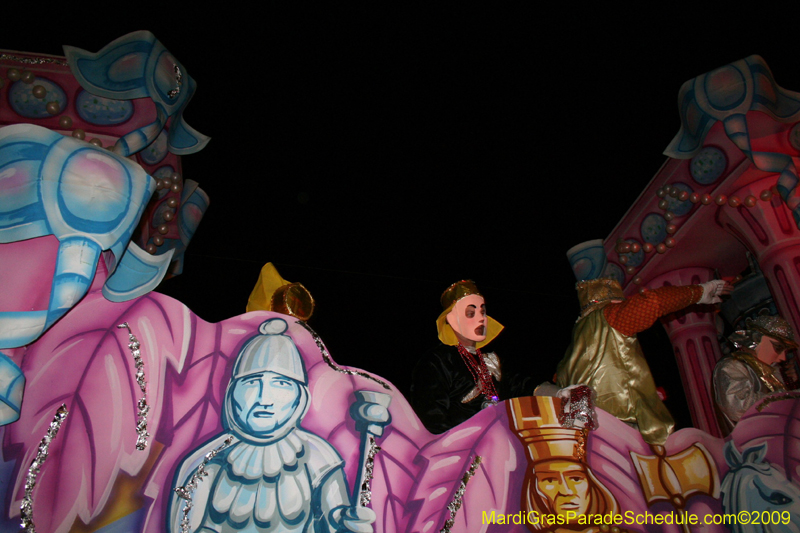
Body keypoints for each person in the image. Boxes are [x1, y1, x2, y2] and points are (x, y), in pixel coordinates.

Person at [167, 317, 374, 532]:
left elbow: (333, 523)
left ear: (300, 396)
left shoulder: (320, 459)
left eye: (281, 384)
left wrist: (349, 525)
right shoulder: (205, 462)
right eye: (252, 382)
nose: (264, 398)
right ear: (232, 392)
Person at [556, 277, 731, 446]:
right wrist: (699, 292)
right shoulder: (610, 317)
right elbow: (654, 302)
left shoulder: (570, 353)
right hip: (628, 433)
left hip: (590, 438)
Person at [410, 280, 534, 433]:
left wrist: (556, 393)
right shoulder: (438, 361)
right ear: (452, 320)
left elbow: (521, 385)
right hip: (461, 444)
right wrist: (457, 444)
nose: (481, 318)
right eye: (470, 313)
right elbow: (431, 416)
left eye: (483, 312)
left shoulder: (492, 359)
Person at [714, 313, 797, 429]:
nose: (783, 357)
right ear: (756, 340)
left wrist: (794, 382)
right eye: (778, 348)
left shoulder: (774, 370)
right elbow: (738, 407)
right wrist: (789, 397)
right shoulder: (732, 366)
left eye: (786, 351)